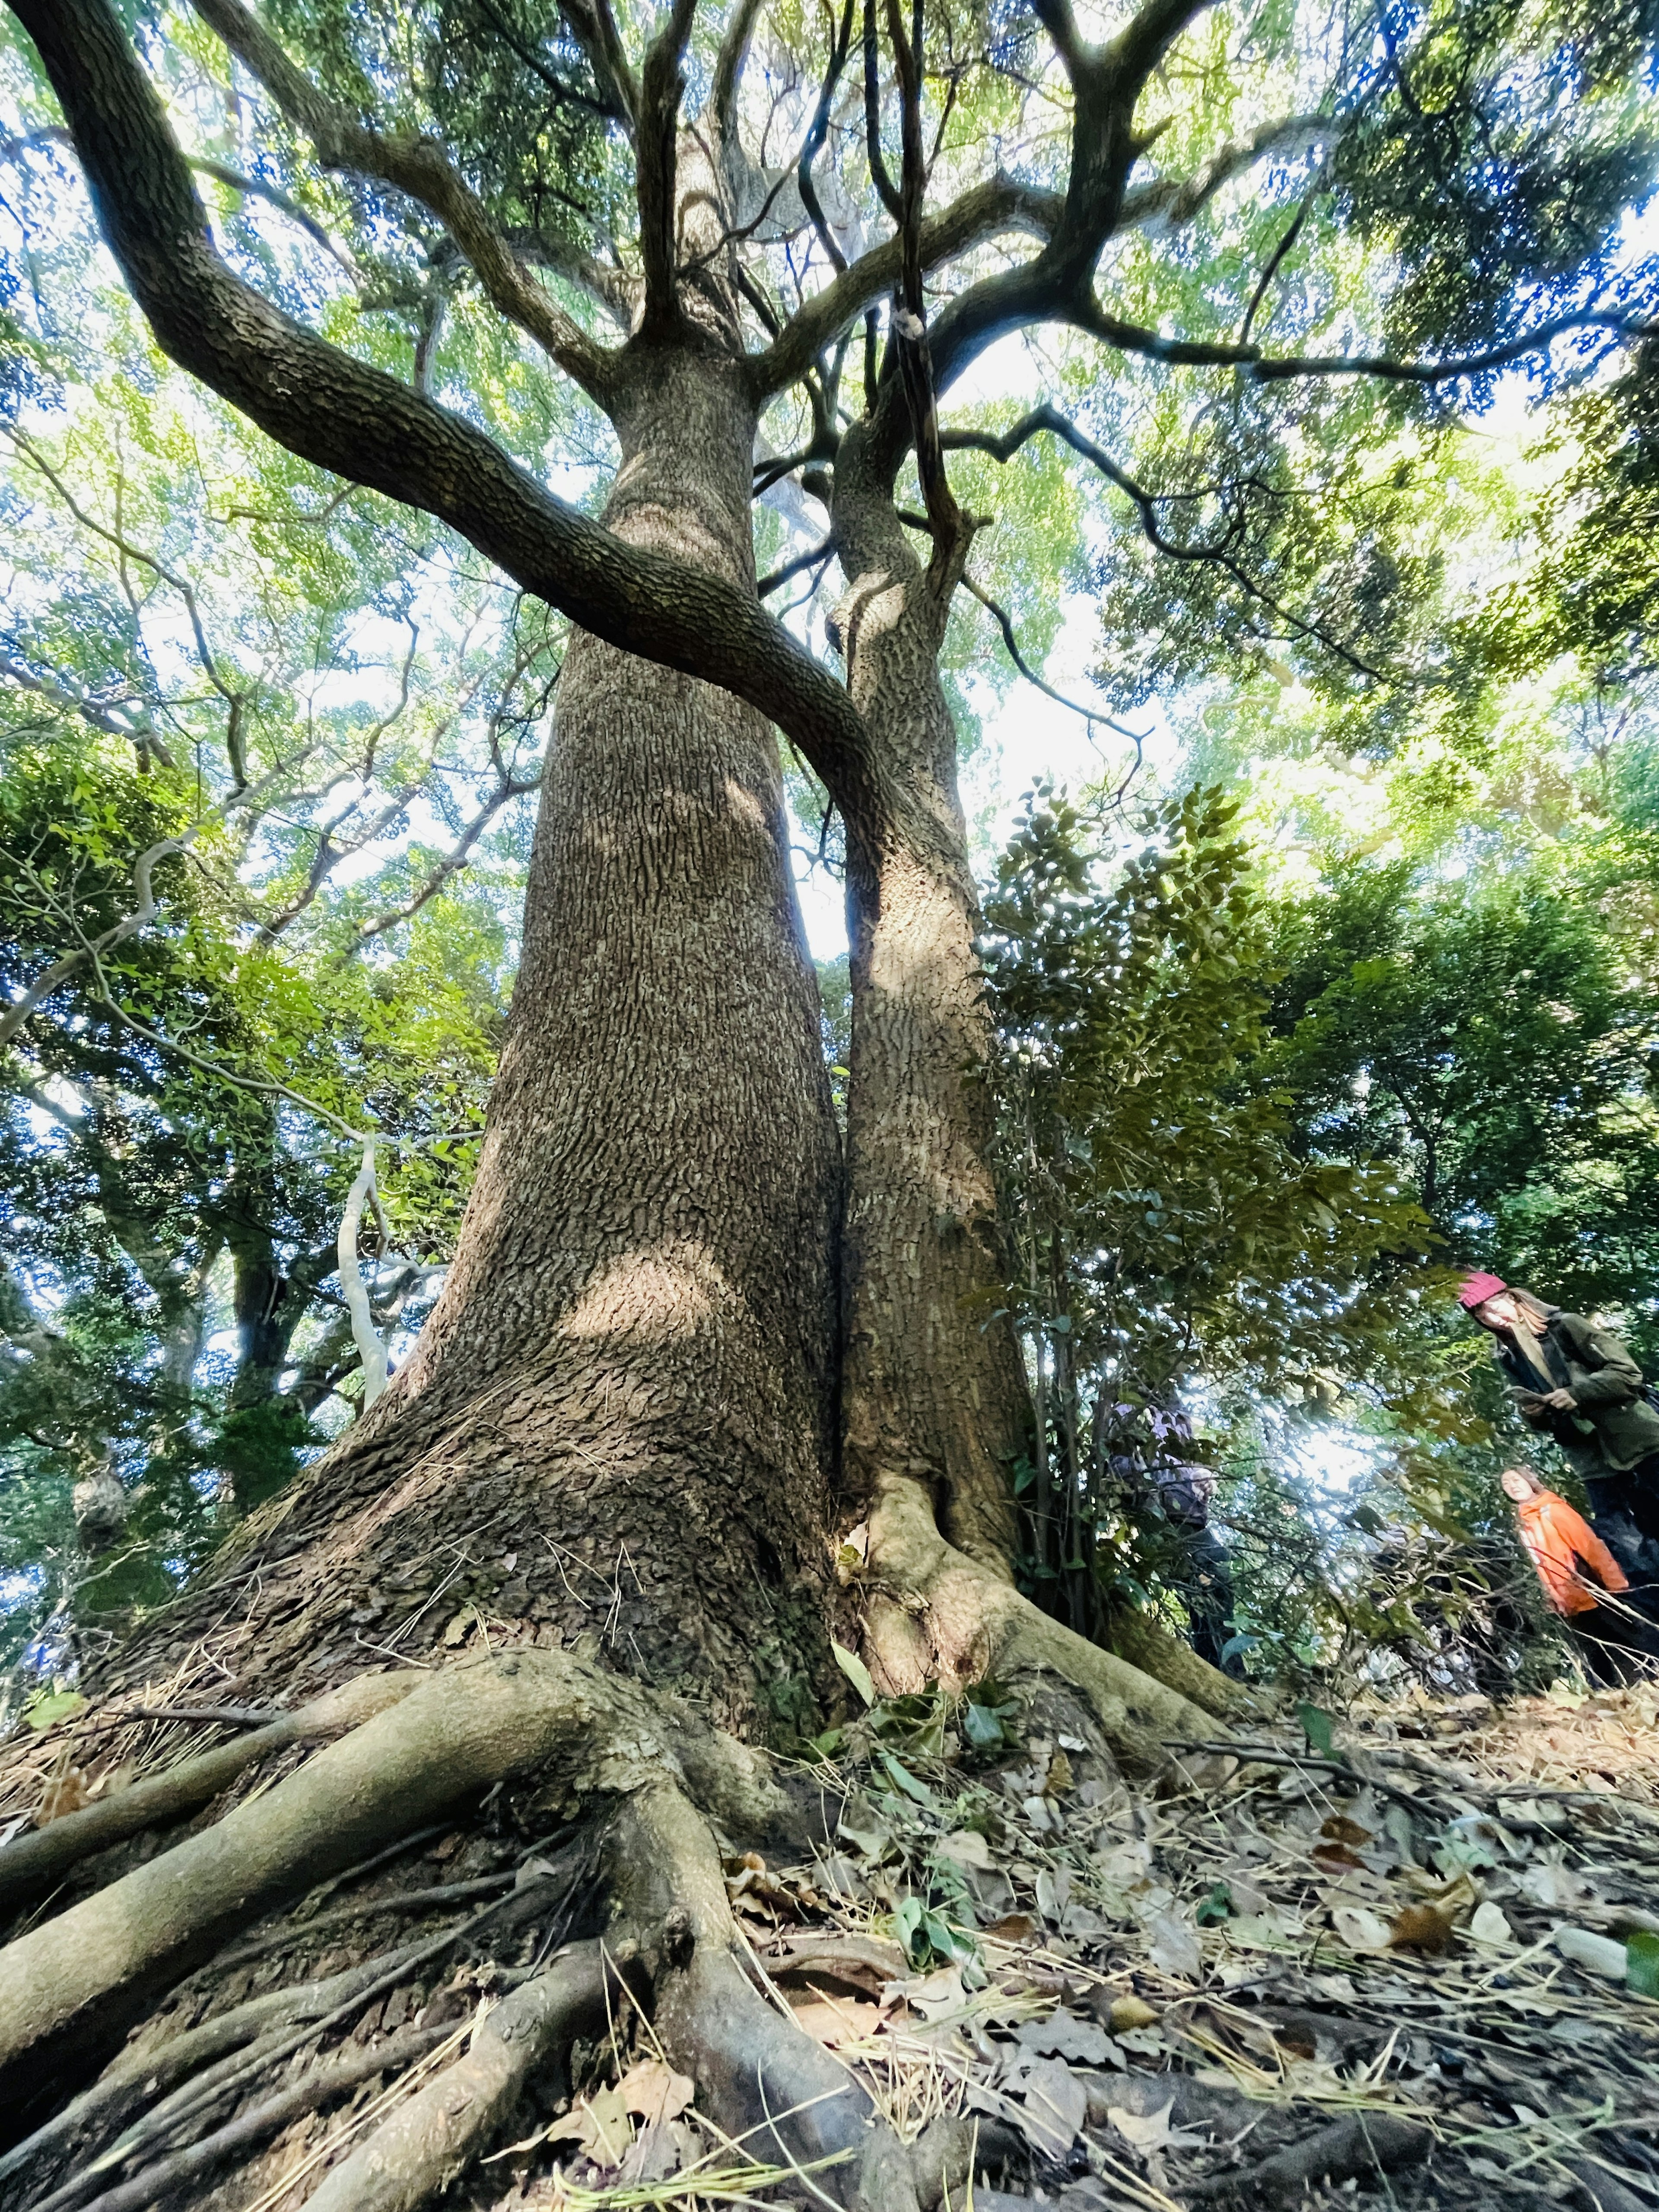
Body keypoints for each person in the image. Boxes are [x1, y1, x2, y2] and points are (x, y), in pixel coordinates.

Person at [1459, 1273, 1659, 1607]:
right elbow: (1533, 1418)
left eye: (1493, 1307)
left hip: (1638, 1440)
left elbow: (1627, 1374)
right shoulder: (1507, 1357)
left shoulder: (1566, 1326)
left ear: (1513, 1298)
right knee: (1623, 1546)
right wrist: (1536, 1412)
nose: (1492, 1318)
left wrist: (1576, 1394)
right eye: (1482, 1316)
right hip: (1590, 1460)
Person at [1499, 1467, 1659, 1682]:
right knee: (1596, 1659)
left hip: (1595, 1593)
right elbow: (1543, 1565)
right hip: (1573, 1602)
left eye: (1516, 1480)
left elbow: (1590, 1546)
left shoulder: (1552, 1511)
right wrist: (1555, 1598)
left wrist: (1616, 1584)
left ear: (1530, 1481)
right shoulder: (1526, 1523)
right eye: (1506, 1484)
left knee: (1638, 1643)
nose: (1513, 1486)